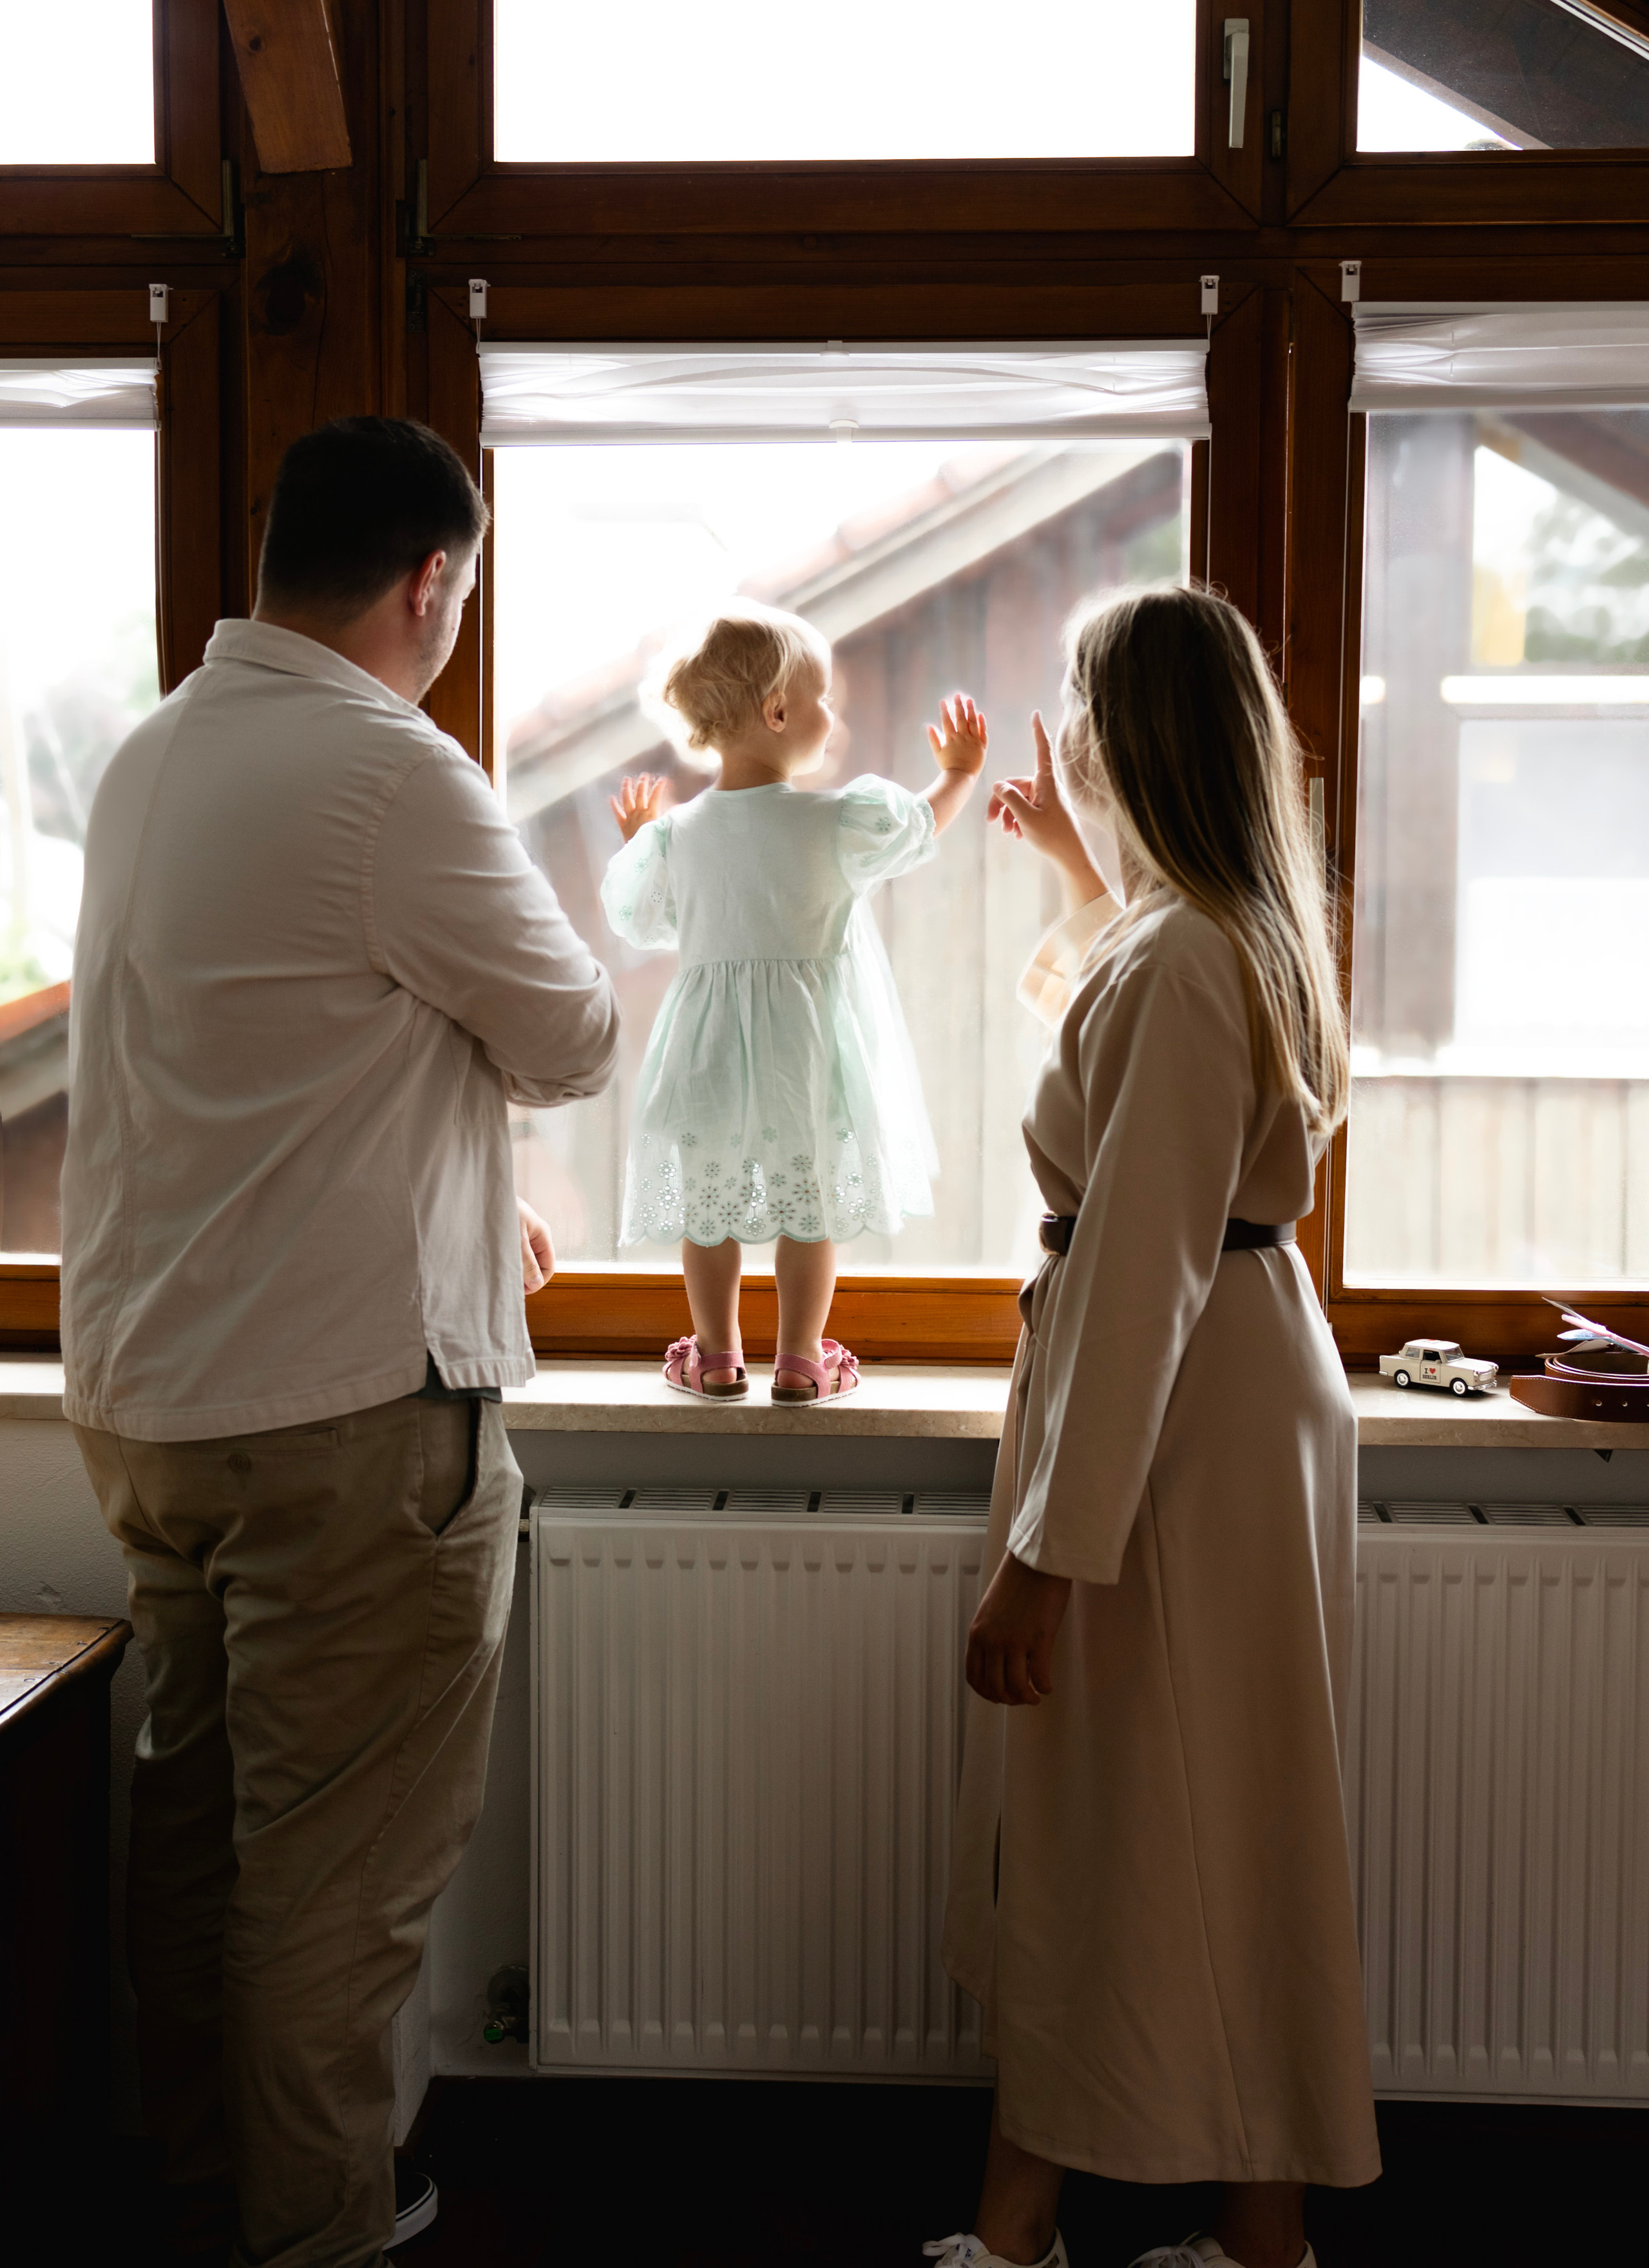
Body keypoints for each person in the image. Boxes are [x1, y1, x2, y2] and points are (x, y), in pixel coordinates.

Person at [61, 417, 620, 2268]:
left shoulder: (154, 759)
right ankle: (315, 2240)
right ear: (429, 581)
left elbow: (259, 1069)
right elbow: (567, 1035)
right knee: (334, 1889)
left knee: (200, 1837)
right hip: (347, 1417)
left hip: (158, 1400)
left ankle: (209, 2198)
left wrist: (455, 1184)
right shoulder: (395, 773)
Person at [928, 586, 1379, 2268]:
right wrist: (1068, 866)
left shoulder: (1188, 957)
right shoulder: (1217, 926)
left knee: (1135, 1828)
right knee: (1213, 1822)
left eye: (1076, 701)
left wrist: (1049, 1560)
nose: (1060, 728)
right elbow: (1127, 1068)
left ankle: (1033, 2231)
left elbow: (1138, 1271)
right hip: (1229, 1407)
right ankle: (1245, 2238)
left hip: (1181, 1431)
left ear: (1133, 732)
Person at [601, 601, 986, 1403]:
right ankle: (801, 1359)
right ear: (777, 711)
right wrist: (958, 774)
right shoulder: (836, 820)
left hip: (705, 1049)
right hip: (807, 1050)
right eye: (823, 699)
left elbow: (644, 917)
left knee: (710, 1207)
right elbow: (919, 828)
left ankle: (714, 1355)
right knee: (804, 1206)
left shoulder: (678, 836)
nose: (831, 716)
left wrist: (639, 837)